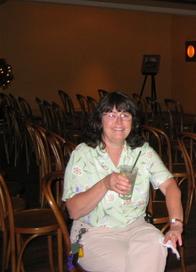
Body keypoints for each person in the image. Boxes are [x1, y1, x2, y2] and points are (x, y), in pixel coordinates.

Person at [63, 91, 183, 272]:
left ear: (133, 121)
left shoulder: (142, 151)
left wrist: (176, 224)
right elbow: (73, 211)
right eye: (111, 115)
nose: (119, 122)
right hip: (91, 234)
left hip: (138, 228)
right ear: (99, 120)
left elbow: (170, 185)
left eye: (125, 115)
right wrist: (105, 184)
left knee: (155, 246)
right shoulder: (83, 154)